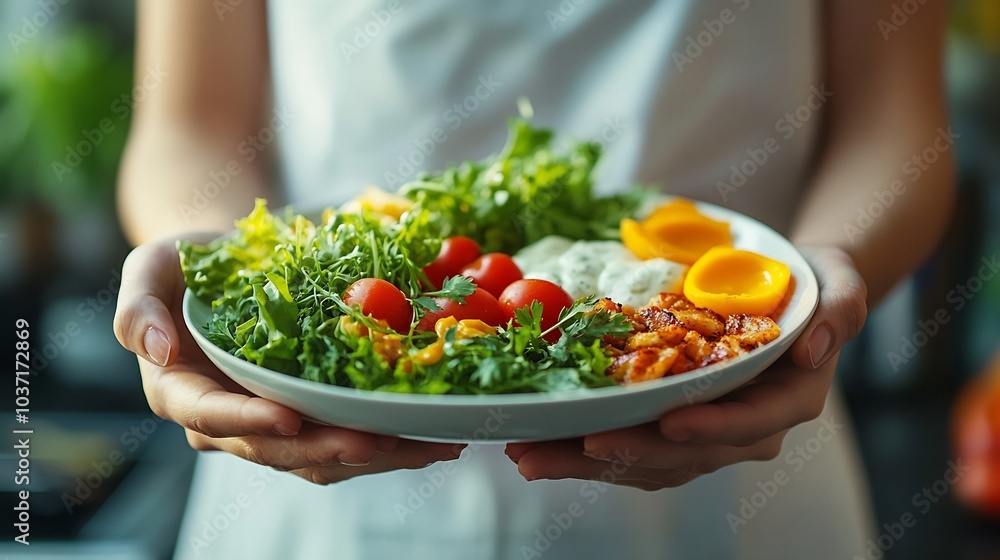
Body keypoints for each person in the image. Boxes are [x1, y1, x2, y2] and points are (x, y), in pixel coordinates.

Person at [113, 1, 955, 558]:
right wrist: (208, 256)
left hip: (738, 455)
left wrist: (820, 279)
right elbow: (187, 127)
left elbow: (898, 127)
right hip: (307, 453)